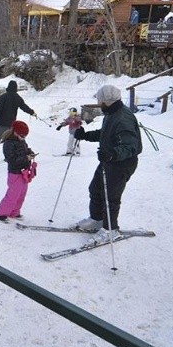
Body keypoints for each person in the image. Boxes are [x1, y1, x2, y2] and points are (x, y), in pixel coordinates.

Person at [71, 85, 142, 245]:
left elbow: (130, 146)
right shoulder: (111, 113)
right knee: (95, 189)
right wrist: (85, 135)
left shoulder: (123, 118)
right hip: (109, 160)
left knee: (111, 196)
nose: (98, 102)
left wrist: (112, 154)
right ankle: (97, 219)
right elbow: (105, 134)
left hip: (122, 163)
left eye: (100, 100)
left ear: (106, 101)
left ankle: (111, 230)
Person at [0, 121, 36, 222]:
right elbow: (12, 160)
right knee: (13, 195)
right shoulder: (8, 144)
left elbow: (25, 149)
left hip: (24, 173)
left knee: (22, 194)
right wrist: (26, 158)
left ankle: (14, 212)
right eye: (22, 135)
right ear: (15, 132)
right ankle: (1, 214)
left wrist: (30, 152)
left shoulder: (21, 141)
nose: (24, 138)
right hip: (15, 173)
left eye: (25, 136)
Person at [0, 80, 36, 163]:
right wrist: (32, 112)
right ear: (16, 88)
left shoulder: (3, 96)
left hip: (1, 123)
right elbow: (24, 107)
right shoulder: (18, 98)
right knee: (9, 142)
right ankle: (8, 158)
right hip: (11, 125)